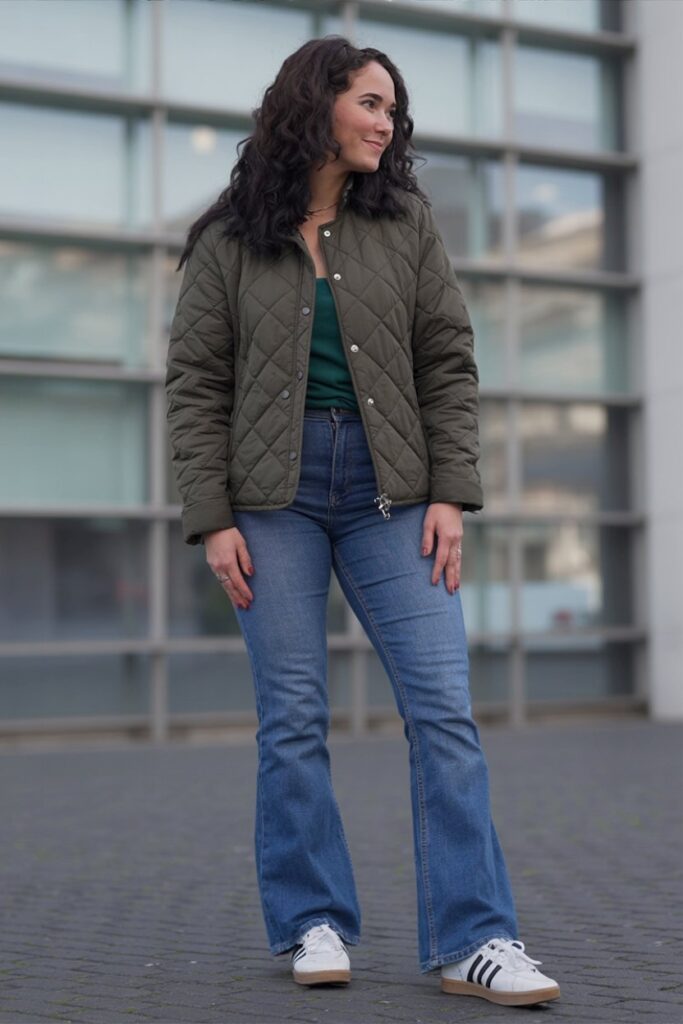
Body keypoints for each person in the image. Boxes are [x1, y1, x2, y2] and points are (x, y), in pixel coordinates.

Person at [165, 35, 560, 1008]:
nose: (386, 122)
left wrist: (449, 494)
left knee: (442, 711)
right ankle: (313, 919)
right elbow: (196, 385)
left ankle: (475, 937)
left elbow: (446, 361)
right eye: (370, 102)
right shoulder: (228, 240)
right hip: (272, 499)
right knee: (291, 719)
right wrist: (210, 516)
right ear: (317, 103)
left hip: (392, 491)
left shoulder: (406, 221)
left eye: (393, 109)